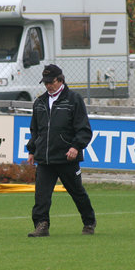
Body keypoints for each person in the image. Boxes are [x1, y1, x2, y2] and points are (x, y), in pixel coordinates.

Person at [26, 64, 96, 237]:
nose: (48, 85)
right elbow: (35, 130)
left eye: (51, 82)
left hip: (67, 157)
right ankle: (41, 225)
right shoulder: (40, 102)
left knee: (77, 192)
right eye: (46, 82)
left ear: (60, 80)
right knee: (41, 196)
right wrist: (32, 150)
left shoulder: (74, 99)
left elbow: (84, 129)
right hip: (45, 158)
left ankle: (89, 222)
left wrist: (76, 146)